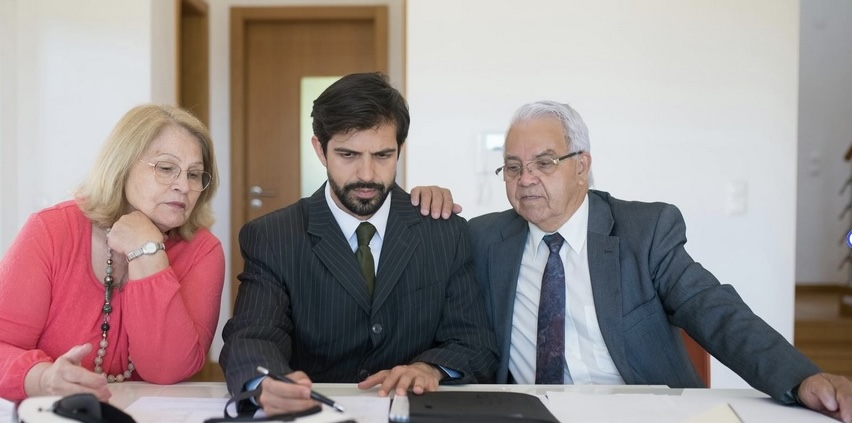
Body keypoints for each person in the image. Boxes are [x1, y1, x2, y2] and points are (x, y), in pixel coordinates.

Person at [467, 100, 852, 422]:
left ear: (581, 166)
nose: (525, 179)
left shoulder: (644, 231)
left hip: (640, 414)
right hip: (528, 414)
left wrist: (801, 378)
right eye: (513, 167)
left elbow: (714, 310)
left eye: (545, 162)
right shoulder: (483, 239)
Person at [219, 72, 498, 416]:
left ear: (400, 150)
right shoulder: (273, 236)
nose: (367, 175)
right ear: (320, 150)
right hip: (315, 414)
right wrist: (265, 384)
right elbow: (253, 336)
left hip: (413, 410)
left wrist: (432, 368)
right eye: (348, 155)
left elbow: (474, 344)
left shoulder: (443, 231)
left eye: (382, 155)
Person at [0, 104, 225, 402]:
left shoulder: (203, 251)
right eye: (166, 168)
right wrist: (41, 378)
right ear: (123, 165)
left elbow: (168, 369)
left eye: (194, 174)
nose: (184, 186)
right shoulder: (51, 230)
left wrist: (148, 252)